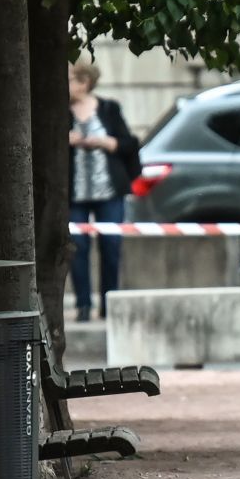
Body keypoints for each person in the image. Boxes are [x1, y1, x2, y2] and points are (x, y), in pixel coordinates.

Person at [68, 60, 141, 322]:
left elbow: (129, 143)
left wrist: (107, 142)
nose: (66, 84)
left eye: (70, 79)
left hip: (108, 191)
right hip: (74, 193)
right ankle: (83, 305)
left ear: (84, 82)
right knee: (76, 247)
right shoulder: (59, 112)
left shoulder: (109, 108)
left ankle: (110, 304)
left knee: (111, 245)